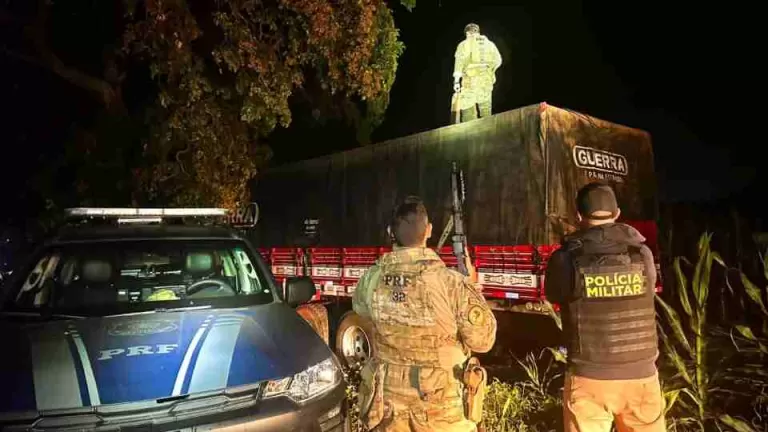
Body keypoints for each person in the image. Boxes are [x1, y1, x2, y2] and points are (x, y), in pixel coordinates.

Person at [353, 196, 497, 431]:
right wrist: (471, 288)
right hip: (440, 413)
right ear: (429, 230)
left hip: (388, 409)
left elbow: (361, 310)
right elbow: (483, 341)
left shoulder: (371, 278)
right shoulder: (450, 283)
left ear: (391, 232)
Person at [544, 182, 665, 432]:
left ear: (578, 216)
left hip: (590, 378)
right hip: (641, 376)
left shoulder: (566, 258)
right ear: (617, 213)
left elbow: (553, 294)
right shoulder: (642, 254)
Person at [452, 23, 502, 123]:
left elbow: (459, 63)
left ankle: (470, 136)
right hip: (485, 82)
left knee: (468, 114)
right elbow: (498, 60)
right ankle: (488, 133)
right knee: (486, 111)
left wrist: (456, 82)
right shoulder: (489, 44)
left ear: (467, 33)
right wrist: (490, 71)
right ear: (478, 32)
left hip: (469, 82)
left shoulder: (463, 45)